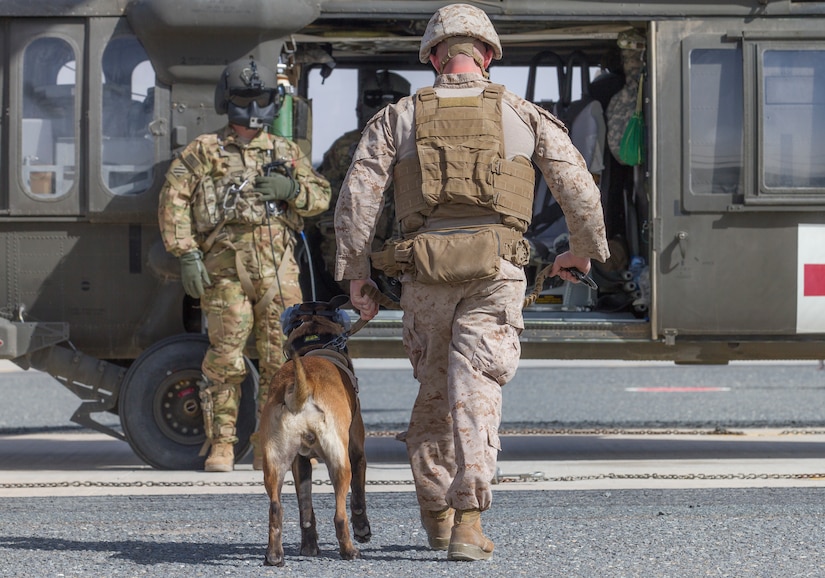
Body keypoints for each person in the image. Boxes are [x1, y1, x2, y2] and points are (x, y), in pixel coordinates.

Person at [333, 4, 610, 562]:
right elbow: (579, 189)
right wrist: (582, 253)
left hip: (425, 274)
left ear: (433, 57)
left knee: (435, 388)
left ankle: (436, 516)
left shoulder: (399, 118)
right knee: (476, 386)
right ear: (487, 55)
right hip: (495, 271)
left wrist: (356, 275)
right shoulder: (521, 113)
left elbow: (358, 199)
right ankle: (468, 522)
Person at [158, 58, 331, 472]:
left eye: (260, 99)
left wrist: (291, 188)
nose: (252, 109)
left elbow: (321, 195)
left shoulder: (285, 151)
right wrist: (186, 253)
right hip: (225, 268)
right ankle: (221, 444)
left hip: (277, 270)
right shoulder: (204, 151)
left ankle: (267, 444)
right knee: (225, 359)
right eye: (243, 98)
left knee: (281, 359)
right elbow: (174, 200)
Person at [309, 70, 410, 298]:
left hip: (404, 244)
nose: (384, 106)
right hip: (357, 246)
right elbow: (324, 201)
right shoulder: (344, 148)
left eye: (393, 99)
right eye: (374, 99)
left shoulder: (418, 146)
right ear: (359, 106)